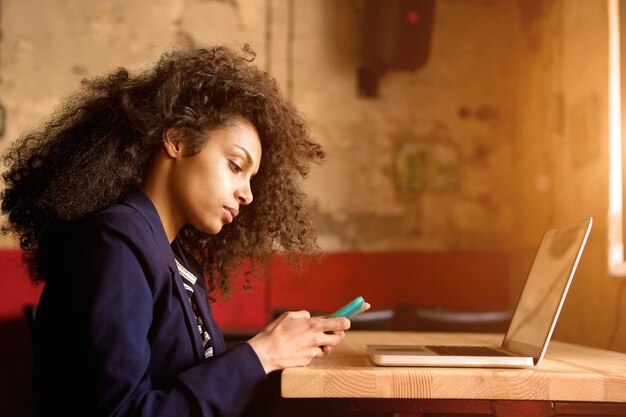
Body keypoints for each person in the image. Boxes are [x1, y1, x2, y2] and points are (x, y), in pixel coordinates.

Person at [0, 44, 365, 417]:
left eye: (252, 178)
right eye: (236, 166)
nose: (248, 194)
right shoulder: (115, 243)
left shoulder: (171, 255)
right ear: (176, 141)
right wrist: (261, 354)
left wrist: (278, 352)